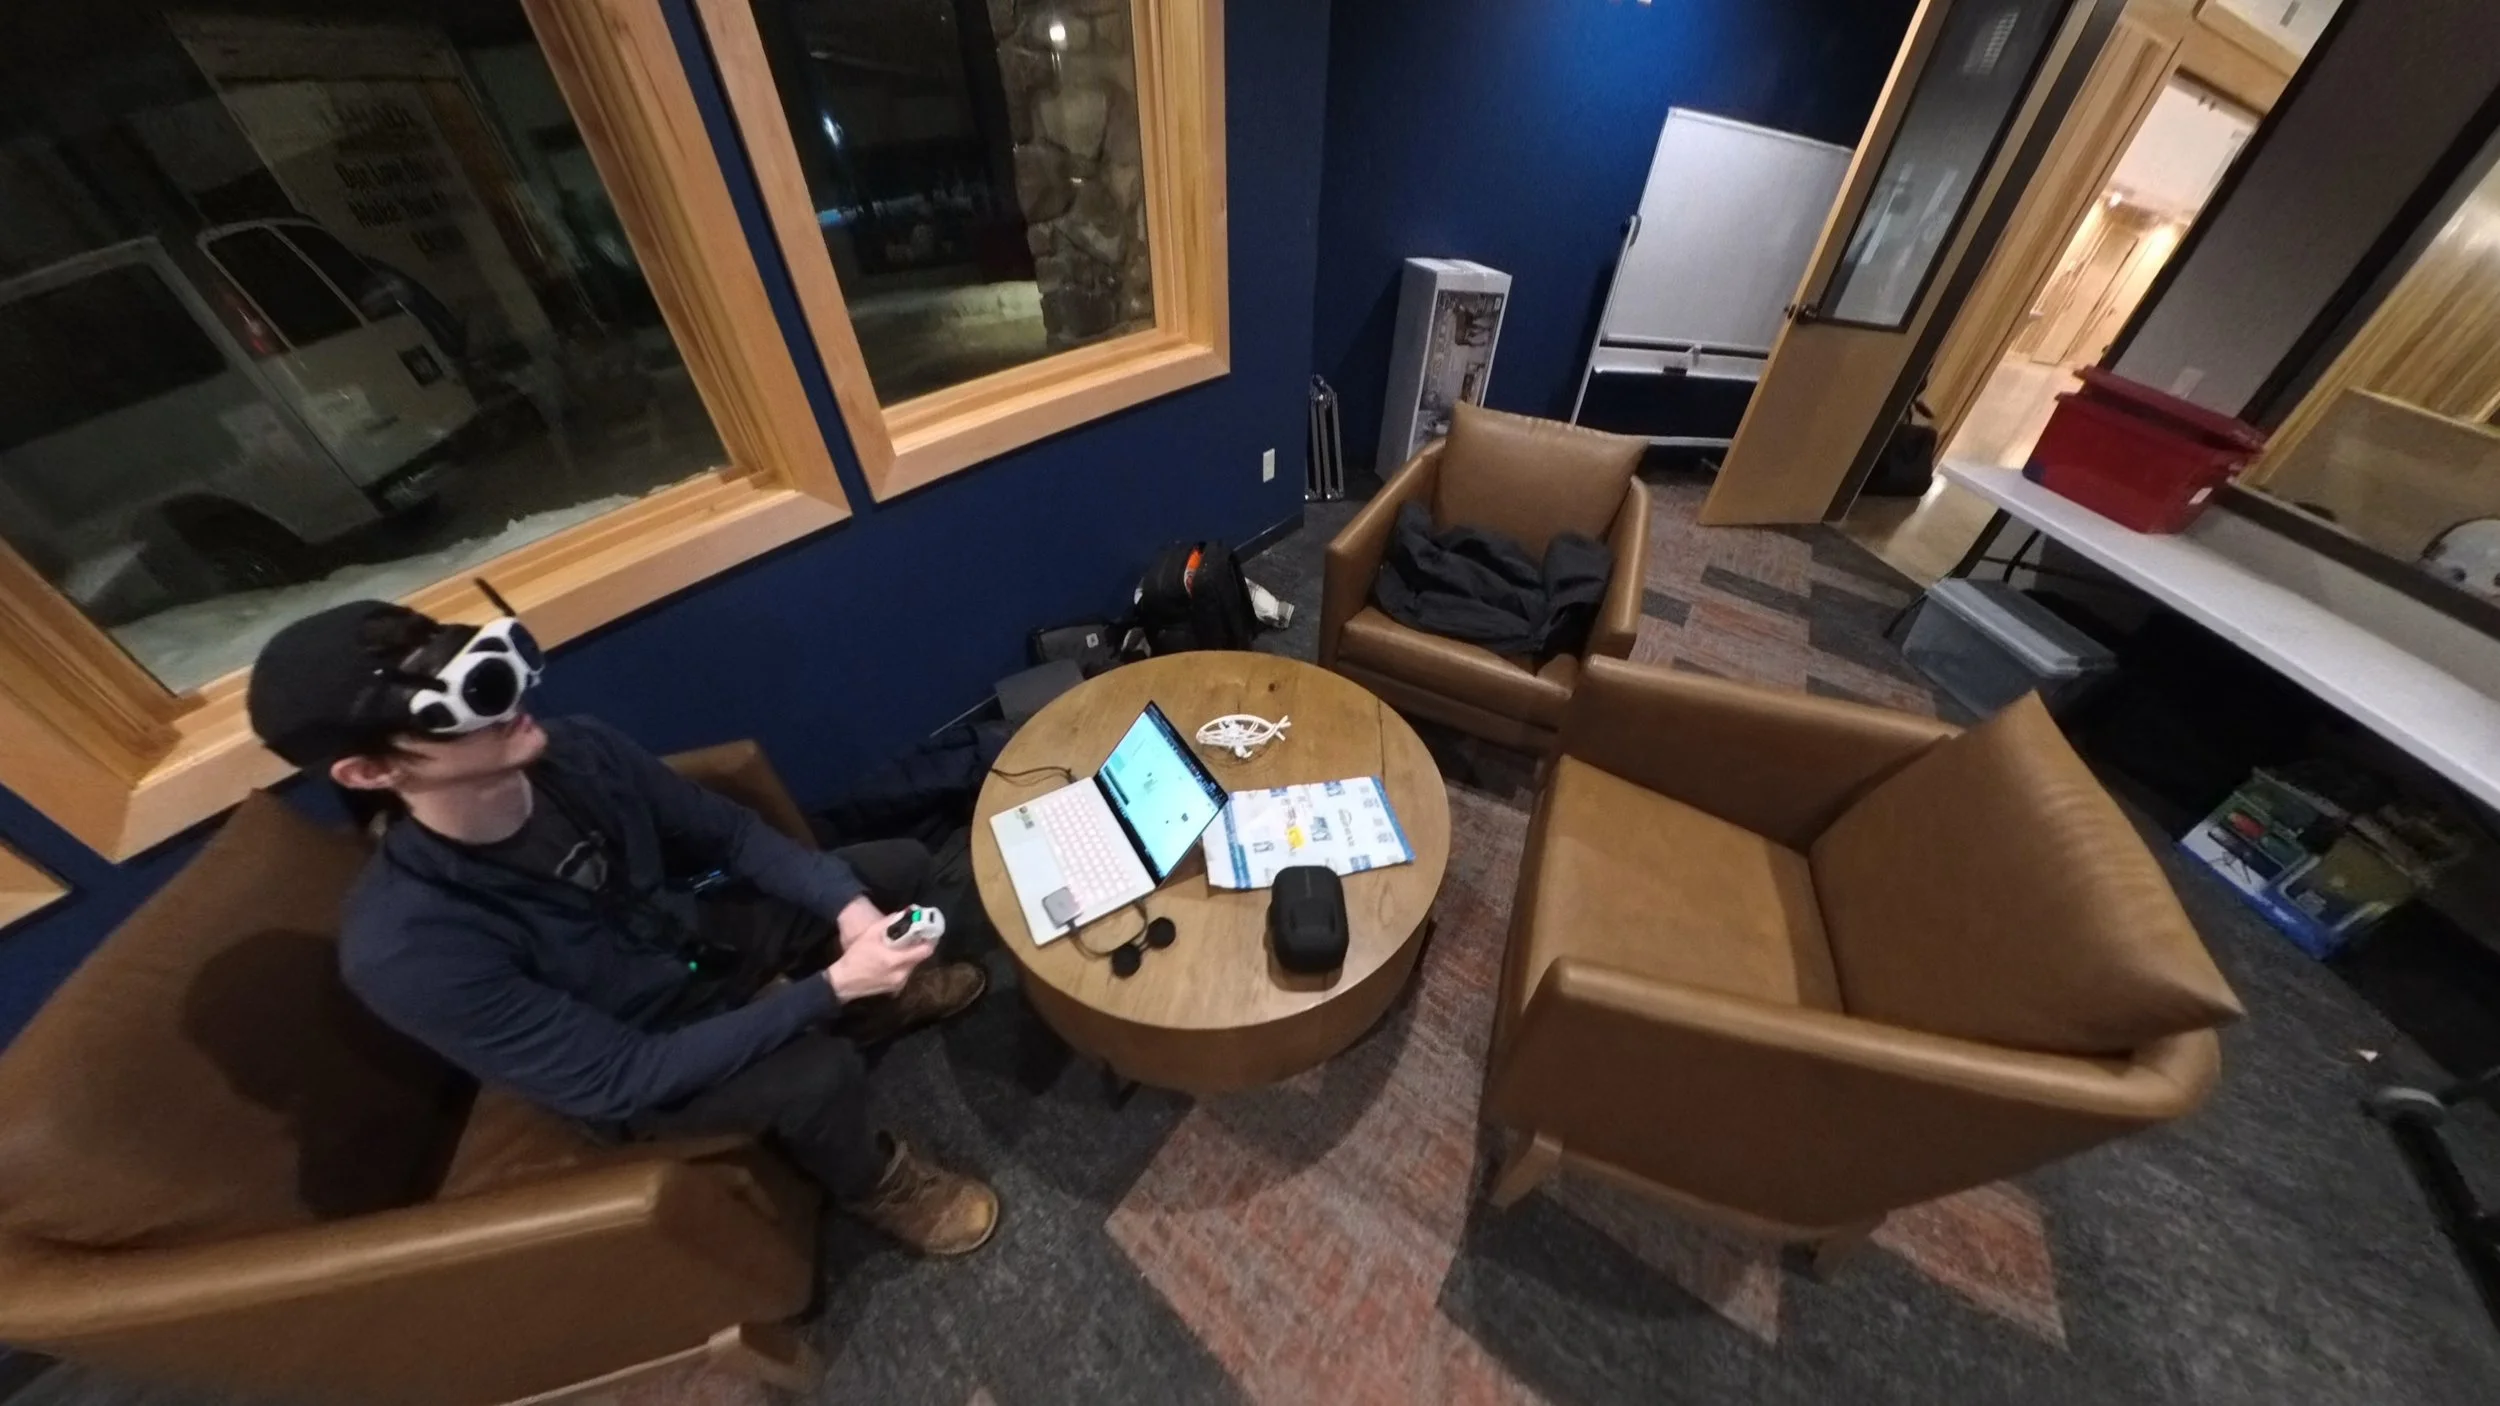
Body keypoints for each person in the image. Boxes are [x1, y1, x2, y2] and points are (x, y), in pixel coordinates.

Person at [243, 598, 1000, 1255]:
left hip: (696, 944)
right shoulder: (407, 946)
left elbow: (732, 838)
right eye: (462, 704)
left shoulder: (578, 750)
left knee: (891, 869)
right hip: (644, 1053)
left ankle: (876, 1004)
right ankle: (871, 1181)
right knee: (818, 1075)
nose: (510, 704)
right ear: (370, 771)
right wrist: (828, 989)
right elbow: (620, 1076)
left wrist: (847, 909)